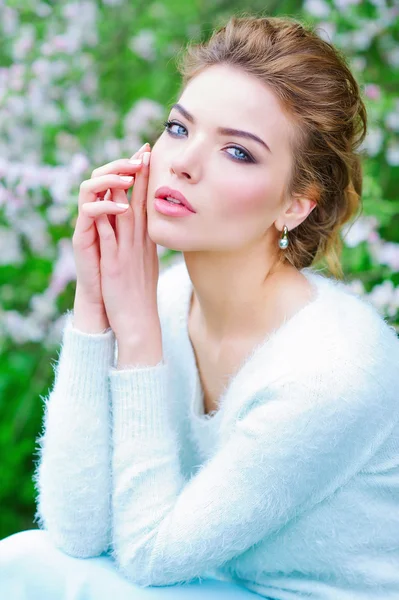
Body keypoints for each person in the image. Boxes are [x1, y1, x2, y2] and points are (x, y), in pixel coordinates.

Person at [1, 13, 399, 600]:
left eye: (238, 152)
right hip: (210, 585)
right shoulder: (164, 300)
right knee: (25, 559)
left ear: (295, 206)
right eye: (179, 129)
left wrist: (135, 339)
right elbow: (75, 529)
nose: (184, 162)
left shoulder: (332, 371)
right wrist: (94, 303)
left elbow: (150, 558)